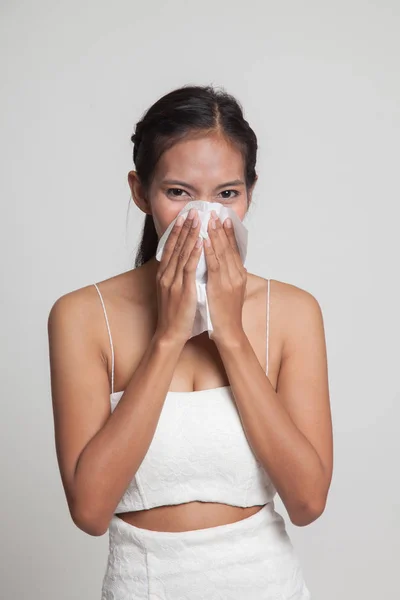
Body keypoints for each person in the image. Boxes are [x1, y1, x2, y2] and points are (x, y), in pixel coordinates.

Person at [47, 84, 332, 599]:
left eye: (226, 194)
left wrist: (232, 338)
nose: (204, 219)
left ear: (250, 192)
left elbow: (308, 502)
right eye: (178, 192)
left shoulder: (293, 312)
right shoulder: (82, 316)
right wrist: (168, 337)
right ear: (140, 192)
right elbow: (89, 511)